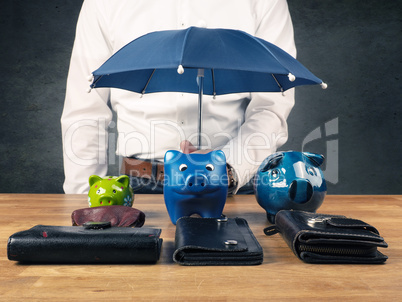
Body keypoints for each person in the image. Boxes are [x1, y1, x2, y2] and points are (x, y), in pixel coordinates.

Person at [61, 0, 296, 194]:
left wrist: (229, 168)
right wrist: (82, 197)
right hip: (138, 186)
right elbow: (85, 108)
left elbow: (272, 106)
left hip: (231, 183)